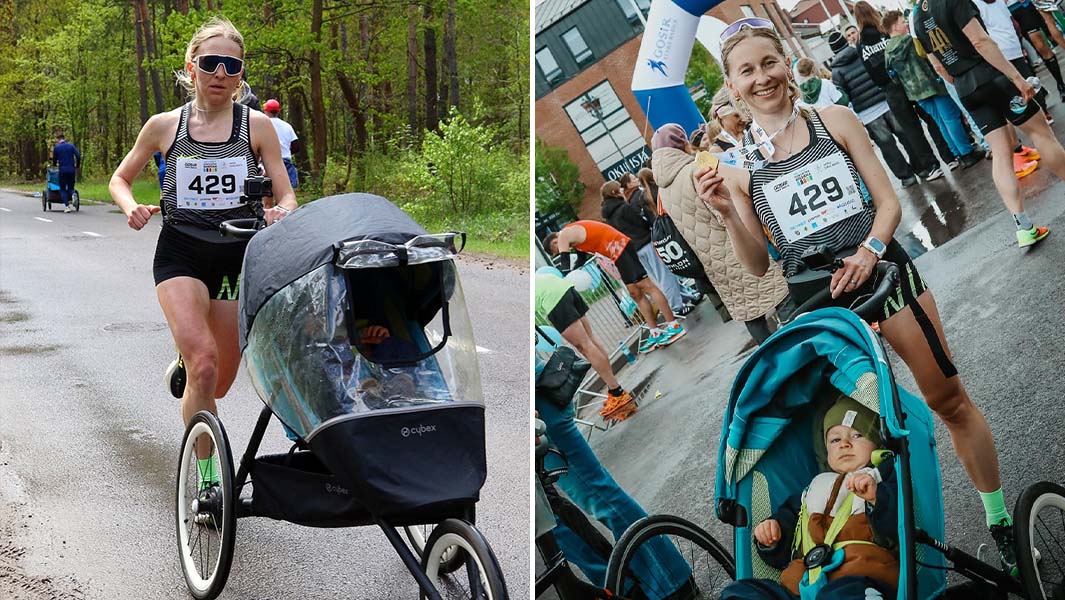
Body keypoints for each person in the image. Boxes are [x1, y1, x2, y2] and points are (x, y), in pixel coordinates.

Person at [695, 19, 1020, 571]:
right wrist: (727, 213)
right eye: (746, 71)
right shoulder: (737, 167)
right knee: (845, 441)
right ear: (732, 85)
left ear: (785, 63)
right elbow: (757, 264)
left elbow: (888, 204)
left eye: (768, 63)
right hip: (817, 307)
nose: (762, 78)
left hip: (882, 273)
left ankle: (1000, 519)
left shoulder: (835, 120)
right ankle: (875, 554)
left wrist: (869, 252)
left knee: (947, 400)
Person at [108, 17, 297, 494]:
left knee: (220, 383)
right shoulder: (164, 126)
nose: (220, 73)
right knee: (205, 363)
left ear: (240, 75)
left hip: (236, 257)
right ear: (192, 67)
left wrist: (280, 212)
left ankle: (186, 365)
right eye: (211, 63)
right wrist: (131, 208)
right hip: (182, 253)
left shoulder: (257, 126)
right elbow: (120, 178)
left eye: (231, 66)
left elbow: (286, 193)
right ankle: (210, 481)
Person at [912, 0, 1065, 247]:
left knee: (1001, 153)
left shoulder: (917, 17)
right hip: (991, 75)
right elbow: (980, 41)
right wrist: (1016, 78)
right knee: (1041, 133)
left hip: (965, 87)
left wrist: (962, 82)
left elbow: (938, 66)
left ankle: (1024, 227)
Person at [720, 395, 899, 599]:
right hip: (801, 586)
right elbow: (784, 549)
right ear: (826, 450)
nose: (845, 444)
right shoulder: (812, 491)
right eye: (835, 439)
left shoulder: (883, 479)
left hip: (860, 578)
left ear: (877, 444)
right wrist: (772, 537)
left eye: (857, 435)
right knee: (740, 591)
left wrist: (877, 498)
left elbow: (901, 527)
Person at [650, 123, 791, 344]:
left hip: (712, 261)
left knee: (750, 313)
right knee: (779, 296)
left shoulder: (663, 189)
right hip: (735, 245)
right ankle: (800, 346)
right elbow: (722, 209)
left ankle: (771, 356)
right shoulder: (695, 171)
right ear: (681, 143)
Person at [544, 221, 685, 354]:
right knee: (635, 293)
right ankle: (655, 332)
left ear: (554, 243)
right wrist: (574, 272)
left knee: (647, 286)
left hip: (619, 246)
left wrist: (562, 280)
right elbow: (581, 259)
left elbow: (565, 263)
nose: (560, 250)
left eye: (556, 250)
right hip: (616, 252)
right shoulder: (573, 238)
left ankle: (674, 325)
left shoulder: (563, 235)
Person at [855, 1, 954, 178]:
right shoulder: (884, 31)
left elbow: (870, 71)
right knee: (931, 118)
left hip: (890, 90)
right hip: (911, 81)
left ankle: (931, 166)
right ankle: (949, 157)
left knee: (911, 129)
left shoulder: (860, 43)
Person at [882, 11, 983, 169]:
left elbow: (892, 76)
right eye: (902, 22)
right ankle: (967, 153)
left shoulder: (887, 51)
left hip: (916, 93)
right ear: (894, 27)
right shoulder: (911, 41)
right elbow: (928, 59)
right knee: (951, 118)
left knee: (940, 122)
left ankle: (957, 153)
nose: (906, 23)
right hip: (933, 85)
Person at [535, 273, 637, 420]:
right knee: (590, 340)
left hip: (553, 299)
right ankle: (614, 388)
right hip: (565, 287)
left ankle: (617, 392)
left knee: (585, 347)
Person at [828, 31, 920, 187]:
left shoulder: (836, 72)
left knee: (888, 147)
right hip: (885, 101)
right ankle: (921, 167)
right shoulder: (861, 52)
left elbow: (843, 95)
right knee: (905, 135)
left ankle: (907, 177)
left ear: (833, 50)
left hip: (868, 114)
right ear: (845, 41)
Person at [967, 0, 1046, 177]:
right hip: (999, 57)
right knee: (1008, 108)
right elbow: (978, 37)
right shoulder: (970, 3)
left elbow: (1008, 20)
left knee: (1023, 103)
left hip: (1013, 49)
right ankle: (1015, 158)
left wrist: (1019, 45)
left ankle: (1019, 150)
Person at [609, 178, 693, 316]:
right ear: (615, 192)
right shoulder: (625, 207)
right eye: (620, 188)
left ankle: (682, 298)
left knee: (657, 277)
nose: (622, 190)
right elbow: (640, 222)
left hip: (634, 249)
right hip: (645, 242)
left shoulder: (610, 215)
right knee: (665, 275)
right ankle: (676, 306)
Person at [1007, 0, 1065, 99]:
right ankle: (1039, 89)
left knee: (1041, 47)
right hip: (1002, 16)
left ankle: (1061, 85)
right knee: (1018, 54)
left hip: (1021, 6)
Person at [263, 98, 301, 189]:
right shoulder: (287, 126)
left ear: (265, 111)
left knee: (268, 192)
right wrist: (285, 150)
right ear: (278, 111)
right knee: (287, 192)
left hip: (268, 164)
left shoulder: (263, 125)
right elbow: (296, 147)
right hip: (285, 163)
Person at [707, 86, 749, 152]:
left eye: (744, 113)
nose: (743, 119)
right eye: (737, 116)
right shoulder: (717, 150)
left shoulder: (753, 127)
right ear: (721, 115)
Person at [51, 133, 81, 213]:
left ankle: (67, 206)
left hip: (63, 170)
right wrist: (77, 165)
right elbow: (78, 156)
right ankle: (73, 194)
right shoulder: (71, 146)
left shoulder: (57, 147)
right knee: (71, 187)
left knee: (63, 189)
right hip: (71, 170)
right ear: (64, 138)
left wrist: (54, 164)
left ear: (58, 139)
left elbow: (54, 159)